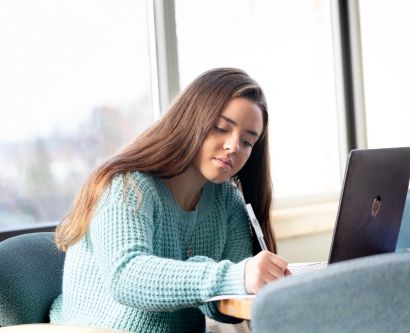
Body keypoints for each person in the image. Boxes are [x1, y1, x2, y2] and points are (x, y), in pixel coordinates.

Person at [50, 67, 291, 333]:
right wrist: (232, 276)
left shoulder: (229, 203)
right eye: (222, 128)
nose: (233, 146)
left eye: (247, 142)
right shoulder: (128, 186)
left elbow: (226, 308)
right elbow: (126, 277)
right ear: (191, 121)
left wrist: (254, 281)